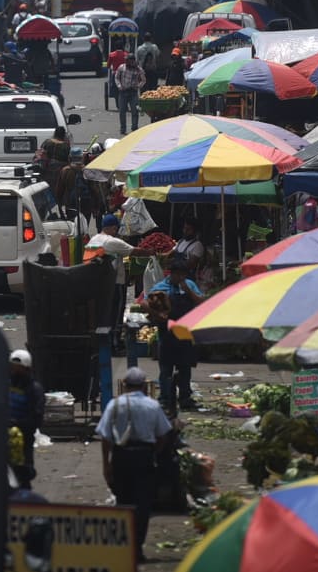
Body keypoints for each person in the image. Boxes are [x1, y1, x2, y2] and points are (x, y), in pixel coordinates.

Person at [96, 367, 174, 563]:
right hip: (144, 457)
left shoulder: (114, 405)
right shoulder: (152, 406)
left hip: (121, 457)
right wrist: (153, 452)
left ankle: (123, 546)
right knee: (143, 505)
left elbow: (105, 437)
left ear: (124, 385)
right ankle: (137, 548)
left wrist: (106, 464)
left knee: (123, 502)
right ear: (144, 386)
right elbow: (164, 434)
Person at [85, 214, 154, 349]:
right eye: (116, 228)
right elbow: (135, 251)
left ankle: (104, 341)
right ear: (112, 228)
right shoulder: (112, 242)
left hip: (96, 283)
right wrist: (151, 251)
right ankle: (114, 342)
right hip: (114, 283)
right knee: (116, 313)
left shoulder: (94, 239)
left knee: (104, 312)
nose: (116, 231)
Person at [147, 259, 205, 415]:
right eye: (177, 274)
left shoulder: (190, 285)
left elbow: (201, 302)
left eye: (183, 275)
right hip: (167, 334)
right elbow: (145, 302)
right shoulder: (161, 287)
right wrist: (158, 313)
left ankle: (185, 398)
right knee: (166, 369)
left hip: (186, 332)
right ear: (171, 273)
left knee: (185, 368)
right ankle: (165, 399)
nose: (180, 278)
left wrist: (188, 291)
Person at [7, 349, 47, 490]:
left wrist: (17, 424)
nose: (13, 370)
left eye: (17, 367)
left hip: (23, 438)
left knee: (23, 473)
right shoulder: (7, 384)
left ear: (25, 368)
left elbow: (36, 418)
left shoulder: (34, 389)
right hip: (5, 437)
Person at [113, 54, 146, 135]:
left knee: (135, 111)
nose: (127, 62)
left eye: (129, 60)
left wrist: (138, 86)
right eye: (126, 60)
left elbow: (143, 80)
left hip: (133, 92)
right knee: (122, 111)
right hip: (123, 91)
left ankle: (134, 127)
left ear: (133, 61)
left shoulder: (138, 69)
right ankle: (123, 129)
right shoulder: (121, 67)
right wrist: (119, 86)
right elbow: (116, 77)